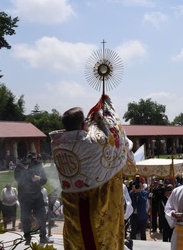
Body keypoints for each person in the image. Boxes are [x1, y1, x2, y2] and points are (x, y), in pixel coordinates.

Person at [49, 95, 135, 250]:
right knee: (95, 240)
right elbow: (113, 133)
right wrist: (103, 110)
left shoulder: (56, 145)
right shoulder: (93, 143)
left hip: (72, 204)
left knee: (78, 240)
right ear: (83, 124)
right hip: (93, 203)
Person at [14, 151, 53, 245]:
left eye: (33, 157)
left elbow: (44, 179)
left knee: (42, 216)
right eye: (29, 157)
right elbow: (18, 178)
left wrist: (38, 178)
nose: (31, 159)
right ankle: (27, 238)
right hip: (24, 196)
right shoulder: (20, 166)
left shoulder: (37, 165)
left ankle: (43, 237)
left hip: (36, 195)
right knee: (25, 217)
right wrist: (28, 176)